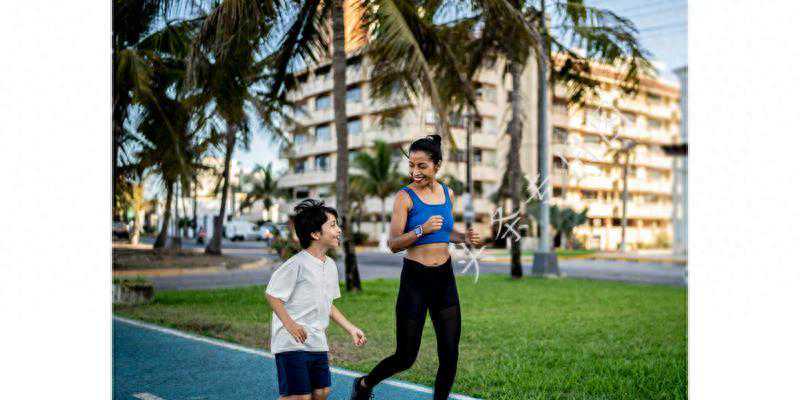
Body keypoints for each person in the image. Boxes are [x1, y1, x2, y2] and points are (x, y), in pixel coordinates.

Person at [350, 135, 481, 400]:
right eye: (411, 165)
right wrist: (421, 229)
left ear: (437, 165)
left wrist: (462, 237)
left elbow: (444, 232)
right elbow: (393, 244)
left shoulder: (448, 193)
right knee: (406, 356)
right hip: (415, 281)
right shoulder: (404, 197)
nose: (415, 172)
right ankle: (364, 384)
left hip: (444, 279)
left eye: (422, 166)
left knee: (450, 354)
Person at [266, 199, 367, 400]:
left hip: (317, 341)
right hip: (291, 342)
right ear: (315, 234)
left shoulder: (330, 266)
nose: (338, 230)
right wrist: (291, 325)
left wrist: (351, 328)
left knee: (321, 392)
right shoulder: (296, 264)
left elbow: (328, 304)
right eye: (333, 225)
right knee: (300, 397)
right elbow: (272, 295)